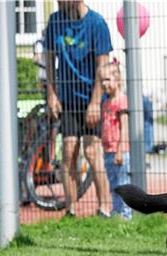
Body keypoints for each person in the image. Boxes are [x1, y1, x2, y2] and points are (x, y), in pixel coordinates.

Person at [44, 0, 112, 217]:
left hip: (91, 97)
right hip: (67, 100)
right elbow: (49, 61)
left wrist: (95, 103)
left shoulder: (97, 23)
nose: (58, 2)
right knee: (68, 153)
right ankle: (70, 210)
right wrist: (52, 95)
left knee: (92, 153)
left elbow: (103, 67)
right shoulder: (55, 21)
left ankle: (104, 208)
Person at [99, 61, 132, 220]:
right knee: (113, 185)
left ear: (117, 80)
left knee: (123, 183)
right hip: (108, 151)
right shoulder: (106, 102)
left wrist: (120, 150)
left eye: (107, 80)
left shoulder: (121, 101)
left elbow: (124, 128)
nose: (104, 84)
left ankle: (126, 214)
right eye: (102, 81)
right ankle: (117, 211)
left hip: (119, 151)